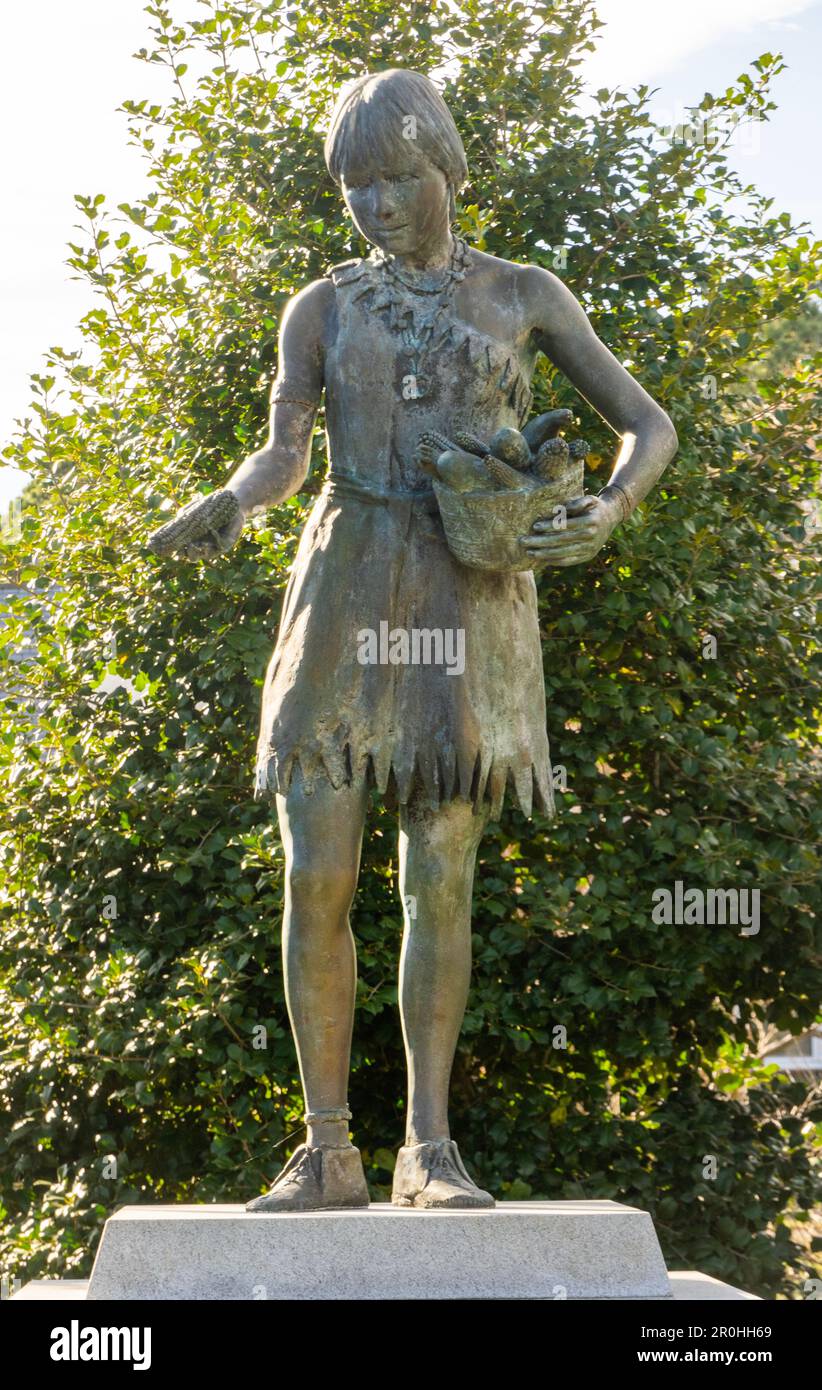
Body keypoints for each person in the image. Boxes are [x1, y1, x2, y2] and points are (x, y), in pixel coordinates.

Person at [149, 69, 677, 1211]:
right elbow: (285, 451)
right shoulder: (322, 307)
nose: (379, 205)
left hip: (465, 594)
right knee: (315, 869)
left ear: (444, 165)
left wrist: (611, 508)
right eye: (356, 187)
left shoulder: (523, 293)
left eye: (397, 178)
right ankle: (327, 1145)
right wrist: (234, 504)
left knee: (440, 871)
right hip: (344, 588)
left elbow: (647, 424)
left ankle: (427, 1146)